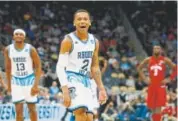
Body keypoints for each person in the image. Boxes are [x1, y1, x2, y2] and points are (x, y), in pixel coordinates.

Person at [56, 9, 107, 121]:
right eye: (79, 19)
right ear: (74, 22)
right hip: (72, 78)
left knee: (89, 116)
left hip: (86, 80)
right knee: (80, 111)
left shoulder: (94, 41)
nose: (82, 21)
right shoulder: (68, 41)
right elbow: (60, 67)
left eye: (85, 19)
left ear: (89, 22)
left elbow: (94, 67)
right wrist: (65, 90)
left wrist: (101, 88)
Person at [4, 29, 41, 121]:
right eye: (16, 34)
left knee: (32, 109)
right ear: (13, 36)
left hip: (29, 80)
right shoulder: (8, 49)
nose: (18, 35)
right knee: (18, 110)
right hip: (16, 81)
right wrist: (9, 85)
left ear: (24, 37)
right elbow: (8, 68)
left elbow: (38, 66)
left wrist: (36, 85)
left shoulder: (30, 49)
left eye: (21, 34)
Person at [137, 45, 177, 121]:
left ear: (161, 50)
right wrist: (144, 78)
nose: (156, 49)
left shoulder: (165, 60)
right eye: (155, 48)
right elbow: (139, 68)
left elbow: (176, 69)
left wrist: (169, 79)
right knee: (152, 108)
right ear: (153, 50)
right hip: (152, 85)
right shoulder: (148, 59)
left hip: (160, 85)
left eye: (158, 48)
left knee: (158, 107)